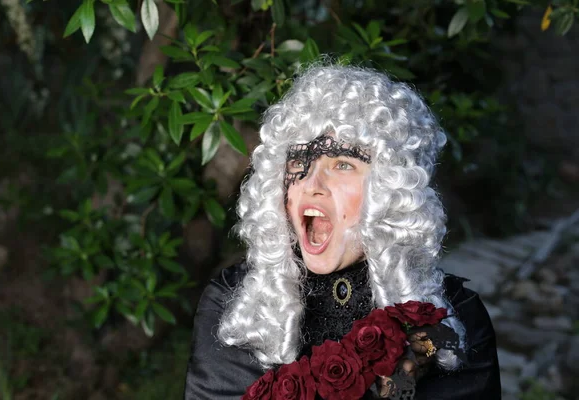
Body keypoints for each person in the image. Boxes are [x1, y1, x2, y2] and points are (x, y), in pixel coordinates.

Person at [184, 64, 501, 399]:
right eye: (298, 162)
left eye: (343, 165)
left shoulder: (454, 317)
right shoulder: (235, 305)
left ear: (392, 189)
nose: (311, 184)